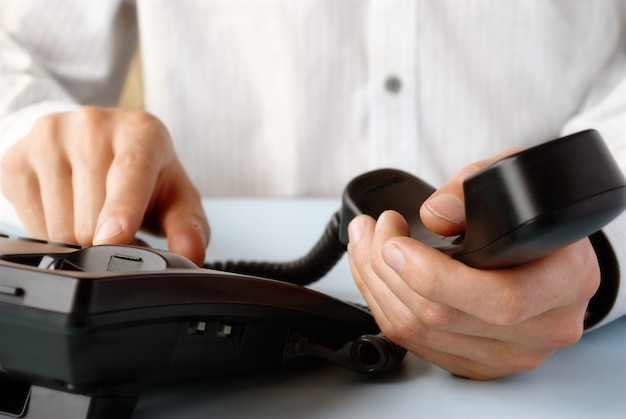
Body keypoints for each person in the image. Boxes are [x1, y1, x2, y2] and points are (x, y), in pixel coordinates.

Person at [0, 1, 624, 380]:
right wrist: (32, 133)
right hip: (199, 275)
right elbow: (17, 47)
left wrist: (603, 247)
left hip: (576, 317)